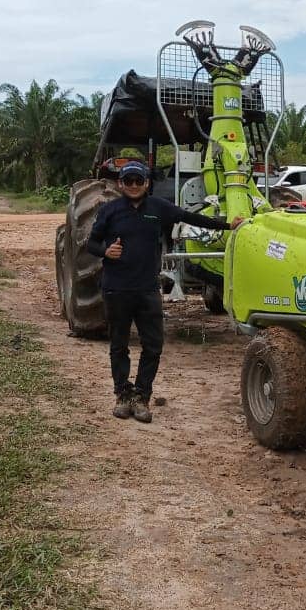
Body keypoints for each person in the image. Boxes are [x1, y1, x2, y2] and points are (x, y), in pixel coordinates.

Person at [87, 161, 241, 423]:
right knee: (119, 345)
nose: (134, 185)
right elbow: (91, 242)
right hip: (117, 288)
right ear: (121, 184)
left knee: (153, 346)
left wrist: (228, 225)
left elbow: (191, 217)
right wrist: (105, 252)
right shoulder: (110, 210)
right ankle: (122, 395)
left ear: (147, 183)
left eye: (139, 181)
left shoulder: (158, 208)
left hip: (147, 289)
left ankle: (142, 397)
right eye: (129, 181)